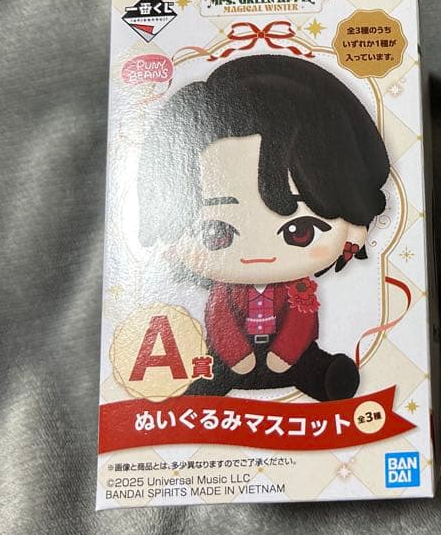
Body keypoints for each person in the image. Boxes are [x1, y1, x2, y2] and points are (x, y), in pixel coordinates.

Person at [137, 54, 389, 401]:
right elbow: (221, 321)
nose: (258, 255)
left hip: (292, 357)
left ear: (354, 227)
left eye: (299, 231)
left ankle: (324, 377)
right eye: (216, 233)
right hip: (232, 358)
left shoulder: (299, 291)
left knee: (311, 365)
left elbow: (301, 323)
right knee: (210, 373)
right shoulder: (225, 294)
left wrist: (284, 354)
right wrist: (237, 355)